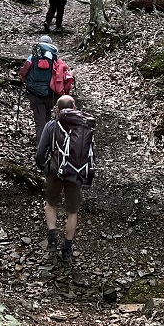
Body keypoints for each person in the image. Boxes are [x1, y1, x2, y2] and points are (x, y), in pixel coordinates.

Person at [35, 94, 95, 264]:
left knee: (51, 204)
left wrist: (44, 167)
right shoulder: (84, 125)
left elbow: (41, 153)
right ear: (74, 107)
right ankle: (67, 248)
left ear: (57, 109)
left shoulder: (51, 125)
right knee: (72, 212)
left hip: (55, 172)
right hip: (76, 174)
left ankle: (52, 236)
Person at [18, 35, 73, 145]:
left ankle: (42, 146)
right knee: (47, 117)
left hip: (35, 95)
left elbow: (23, 73)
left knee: (40, 122)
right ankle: (50, 142)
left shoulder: (32, 57)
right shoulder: (55, 58)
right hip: (50, 95)